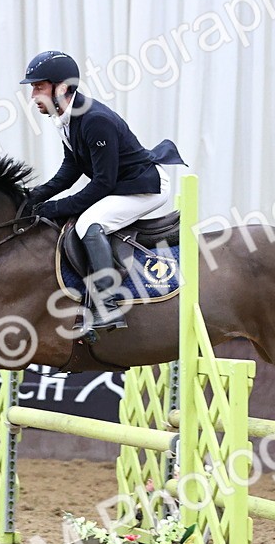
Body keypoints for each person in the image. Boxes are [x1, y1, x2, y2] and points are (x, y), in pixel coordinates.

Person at [21, 50, 185, 332]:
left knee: (88, 224)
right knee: (77, 217)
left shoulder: (95, 120)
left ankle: (107, 304)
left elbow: (102, 184)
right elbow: (71, 168)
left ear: (61, 88)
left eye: (38, 87)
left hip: (144, 188)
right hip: (120, 185)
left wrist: (56, 207)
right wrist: (35, 196)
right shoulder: (66, 117)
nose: (33, 95)